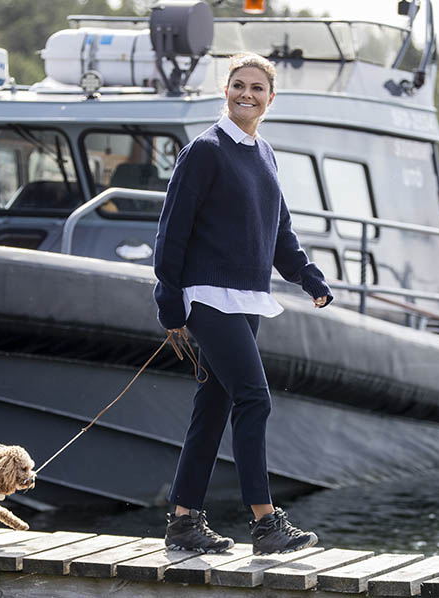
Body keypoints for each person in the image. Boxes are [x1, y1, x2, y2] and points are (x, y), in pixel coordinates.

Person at [153, 53, 333, 555]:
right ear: (225, 90)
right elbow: (172, 232)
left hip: (249, 297)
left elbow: (279, 232)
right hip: (209, 297)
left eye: (257, 88)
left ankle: (184, 521)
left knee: (214, 407)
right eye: (238, 85)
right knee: (255, 397)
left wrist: (307, 276)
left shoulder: (265, 154)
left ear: (270, 99)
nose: (246, 94)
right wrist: (169, 301)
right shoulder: (204, 151)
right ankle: (265, 523)